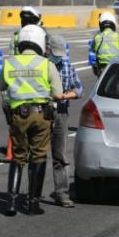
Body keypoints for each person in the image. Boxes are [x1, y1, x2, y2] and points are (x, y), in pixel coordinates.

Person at [0, 24, 64, 216]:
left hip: (18, 115)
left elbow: (2, 87)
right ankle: (33, 203)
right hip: (41, 115)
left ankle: (11, 202)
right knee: (39, 156)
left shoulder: (9, 63)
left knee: (18, 156)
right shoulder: (46, 64)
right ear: (39, 43)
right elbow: (58, 94)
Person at [47, 34, 83, 208]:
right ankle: (32, 195)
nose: (58, 57)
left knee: (60, 155)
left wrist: (66, 95)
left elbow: (79, 88)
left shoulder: (67, 66)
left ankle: (62, 193)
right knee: (35, 156)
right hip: (42, 112)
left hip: (60, 112)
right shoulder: (41, 66)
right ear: (47, 49)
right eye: (55, 53)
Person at [91, 11, 119, 77]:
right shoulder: (118, 36)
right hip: (116, 65)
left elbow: (93, 50)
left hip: (102, 67)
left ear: (101, 24)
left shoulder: (97, 37)